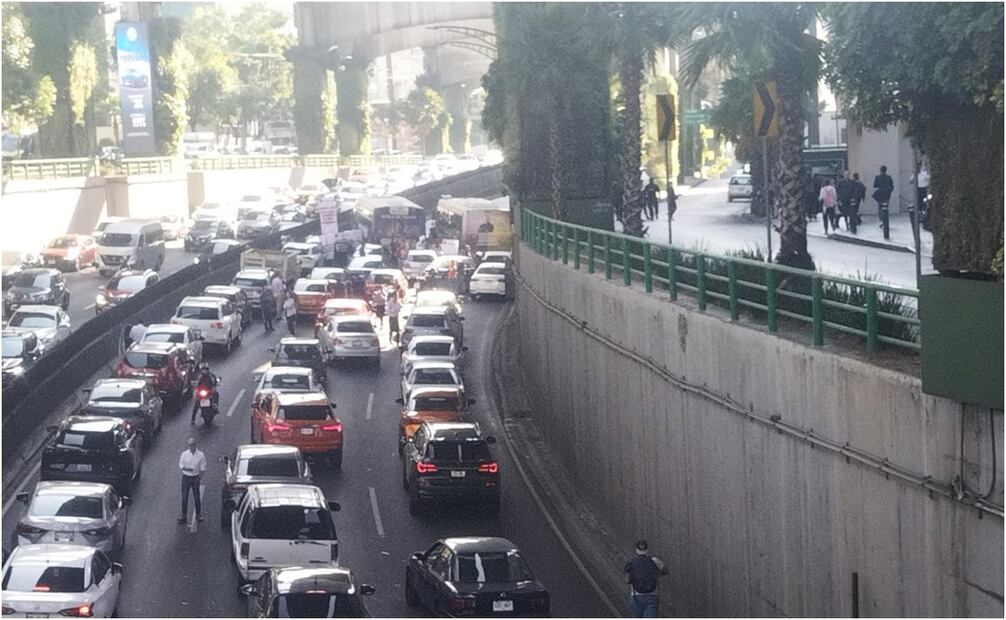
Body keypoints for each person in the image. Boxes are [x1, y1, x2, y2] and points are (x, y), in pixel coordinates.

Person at [624, 539, 668, 618]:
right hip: (653, 594)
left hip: (636, 595)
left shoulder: (630, 562)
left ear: (636, 549)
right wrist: (655, 575)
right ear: (647, 549)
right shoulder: (654, 560)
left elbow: (627, 580)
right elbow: (666, 571)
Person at [178, 438, 206, 524]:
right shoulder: (184, 454)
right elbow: (181, 465)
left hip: (195, 478)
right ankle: (184, 516)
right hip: (186, 477)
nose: (191, 447)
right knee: (184, 497)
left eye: (193, 445)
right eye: (190, 445)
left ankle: (198, 515)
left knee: (197, 497)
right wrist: (188, 469)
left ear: (195, 445)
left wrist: (199, 478)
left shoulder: (201, 455)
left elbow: (203, 468)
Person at [872, 165, 894, 240]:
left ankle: (882, 220)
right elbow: (892, 187)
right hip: (887, 194)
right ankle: (885, 221)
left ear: (881, 170)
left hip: (880, 194)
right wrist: (889, 192)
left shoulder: (877, 177)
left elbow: (875, 185)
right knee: (886, 207)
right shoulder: (889, 177)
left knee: (880, 207)